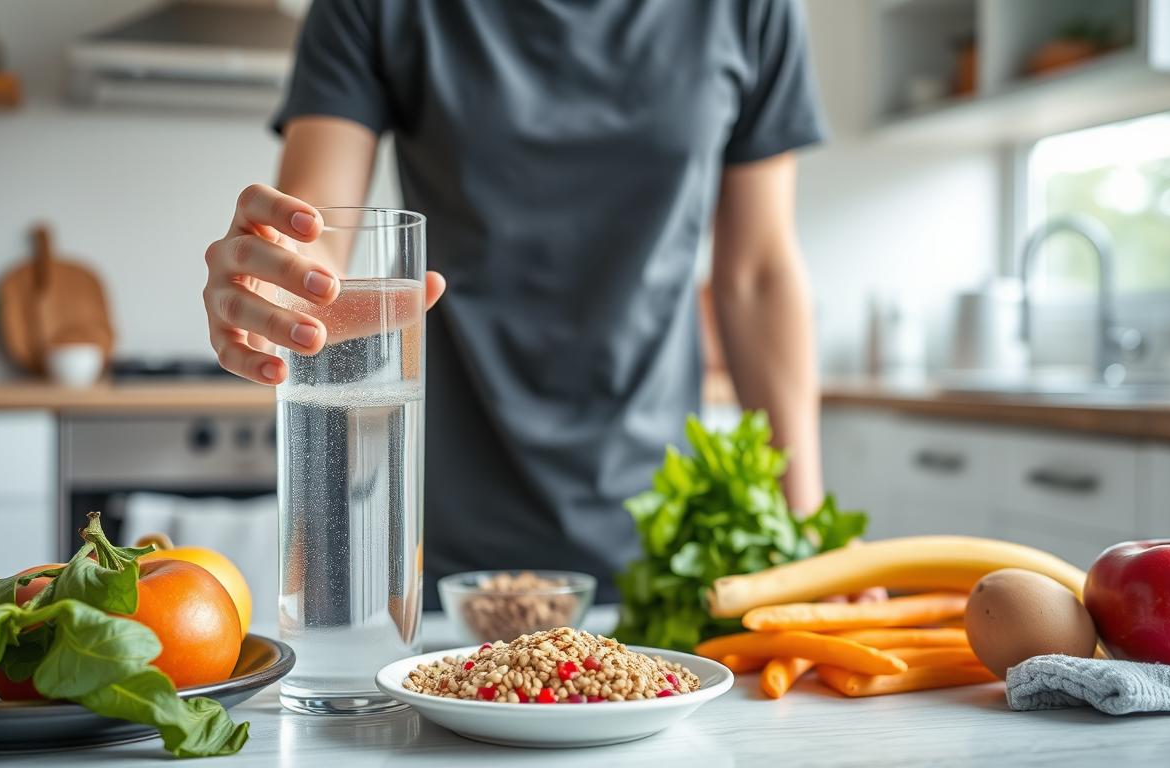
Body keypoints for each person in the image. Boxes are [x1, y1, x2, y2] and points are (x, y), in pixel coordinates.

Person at [203, 0, 826, 607]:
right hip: (444, 552)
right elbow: (319, 230)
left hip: (660, 556)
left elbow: (759, 276)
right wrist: (282, 276)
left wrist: (809, 542)